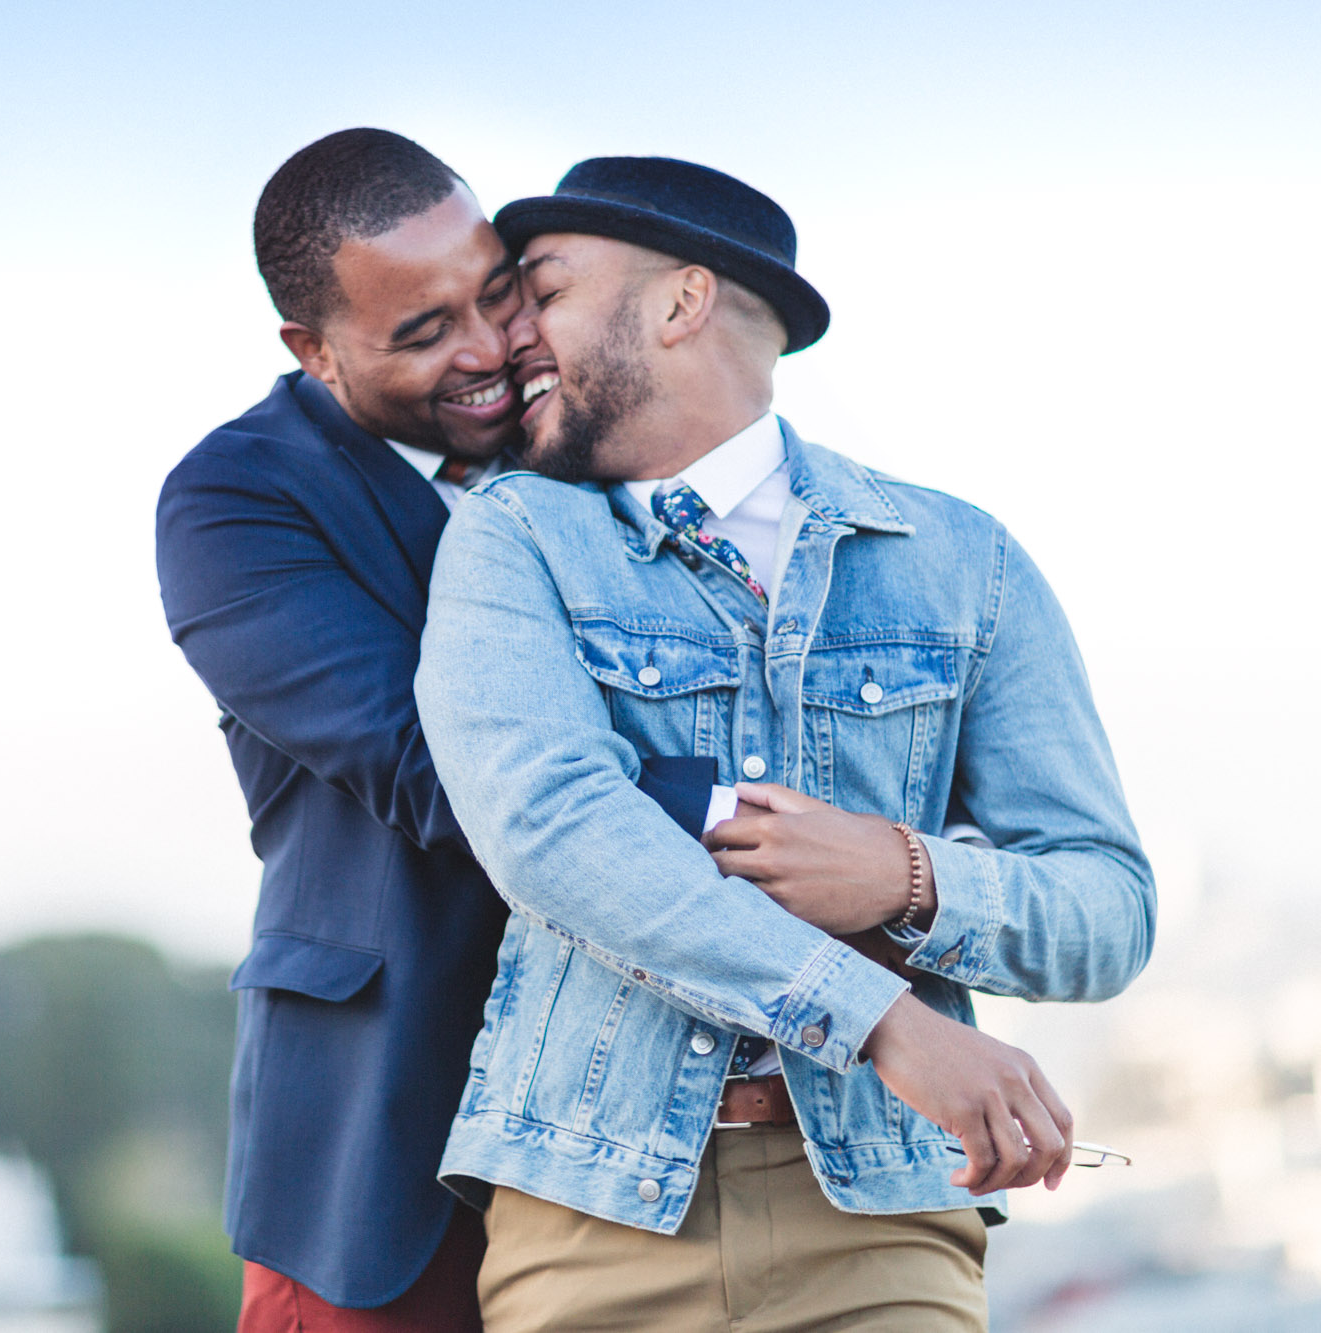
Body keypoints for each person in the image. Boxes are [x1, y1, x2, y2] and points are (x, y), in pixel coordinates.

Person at [413, 156, 1156, 1331]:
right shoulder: (515, 539)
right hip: (592, 1210)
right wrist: (881, 1018)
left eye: (538, 293)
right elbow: (552, 828)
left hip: (881, 1226)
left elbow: (1105, 910)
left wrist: (902, 873)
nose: (507, 340)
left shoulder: (964, 561)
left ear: (678, 302)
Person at [154, 130, 735, 1329]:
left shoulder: (584, 446)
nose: (483, 352)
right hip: (385, 1140)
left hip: (628, 1128)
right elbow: (436, 774)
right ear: (311, 351)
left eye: (495, 295)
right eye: (420, 333)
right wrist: (768, 821)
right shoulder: (234, 501)